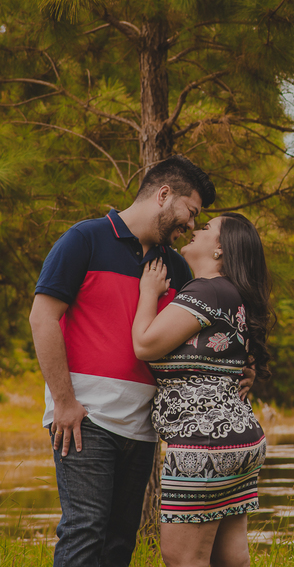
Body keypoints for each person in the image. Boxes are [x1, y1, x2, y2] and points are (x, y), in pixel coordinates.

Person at [27, 155, 228, 567]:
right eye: (191, 213)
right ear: (164, 194)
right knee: (85, 530)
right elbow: (42, 317)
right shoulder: (86, 238)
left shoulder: (174, 266)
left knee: (120, 542)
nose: (191, 226)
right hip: (85, 418)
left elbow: (196, 337)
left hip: (142, 427)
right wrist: (64, 402)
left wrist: (243, 366)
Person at [132, 212, 272, 567]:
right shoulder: (233, 293)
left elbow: (145, 345)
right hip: (239, 440)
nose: (195, 229)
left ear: (220, 250)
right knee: (231, 558)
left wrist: (148, 293)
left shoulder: (207, 290)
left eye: (206, 227)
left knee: (183, 558)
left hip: (202, 444)